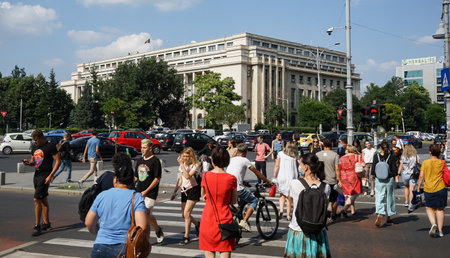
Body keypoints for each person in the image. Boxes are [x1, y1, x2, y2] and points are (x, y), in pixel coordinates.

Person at [85, 153, 148, 257]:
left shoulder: (102, 196)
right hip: (123, 248)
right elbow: (143, 227)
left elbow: (88, 222)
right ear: (132, 180)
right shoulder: (136, 197)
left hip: (100, 246)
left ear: (115, 179)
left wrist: (98, 231)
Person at [285, 153, 331, 258]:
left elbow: (291, 202)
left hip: (298, 229)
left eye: (300, 165)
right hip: (318, 230)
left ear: (306, 167)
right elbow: (325, 206)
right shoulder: (325, 187)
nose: (300, 168)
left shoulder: (295, 183)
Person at [200, 146, 237, 258]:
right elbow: (233, 200)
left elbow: (203, 196)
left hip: (208, 218)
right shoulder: (231, 179)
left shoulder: (205, 176)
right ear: (227, 161)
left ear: (212, 160)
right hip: (225, 218)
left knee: (209, 252)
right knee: (225, 249)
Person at [23, 129, 61, 236]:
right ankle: (47, 223)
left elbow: (58, 161)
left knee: (36, 199)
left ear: (41, 137)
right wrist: (28, 163)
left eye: (36, 140)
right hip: (37, 175)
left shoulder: (50, 146)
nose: (34, 142)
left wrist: (50, 176)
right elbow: (33, 162)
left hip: (45, 176)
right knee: (43, 199)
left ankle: (37, 225)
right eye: (33, 140)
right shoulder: (35, 147)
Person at [226, 143, 272, 231]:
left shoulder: (232, 160)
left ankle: (239, 215)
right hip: (237, 188)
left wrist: (244, 182)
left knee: (242, 201)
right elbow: (257, 173)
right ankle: (244, 221)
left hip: (228, 187)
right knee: (254, 200)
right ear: (246, 152)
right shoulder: (245, 160)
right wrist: (268, 181)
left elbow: (233, 174)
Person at [135, 139, 164, 243]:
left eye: (144, 147)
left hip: (150, 192)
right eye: (141, 147)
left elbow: (157, 178)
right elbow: (136, 177)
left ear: (150, 148)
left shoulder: (155, 161)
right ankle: (157, 228)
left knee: (146, 213)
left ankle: (146, 238)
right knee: (143, 214)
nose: (142, 150)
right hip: (139, 191)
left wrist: (146, 191)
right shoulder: (139, 161)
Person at [171, 147, 201, 245]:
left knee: (187, 213)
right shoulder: (182, 165)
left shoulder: (196, 165)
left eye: (187, 156)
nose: (185, 158)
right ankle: (197, 224)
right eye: (184, 156)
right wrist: (174, 191)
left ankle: (186, 236)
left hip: (193, 190)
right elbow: (180, 179)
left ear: (191, 157)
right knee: (184, 215)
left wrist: (181, 164)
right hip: (184, 190)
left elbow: (188, 176)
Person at [417, 144, 447, 238]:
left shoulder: (425, 163)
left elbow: (421, 176)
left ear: (430, 152)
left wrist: (418, 187)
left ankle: (434, 224)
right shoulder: (442, 162)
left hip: (428, 188)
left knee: (429, 207)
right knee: (440, 209)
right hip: (441, 188)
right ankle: (441, 231)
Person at [372, 142, 397, 227]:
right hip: (389, 179)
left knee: (379, 197)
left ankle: (380, 213)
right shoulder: (392, 157)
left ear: (381, 148)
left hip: (379, 179)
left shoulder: (376, 156)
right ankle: (389, 217)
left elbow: (373, 170)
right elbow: (394, 170)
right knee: (390, 197)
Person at [316, 138, 341, 221]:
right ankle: (333, 215)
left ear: (323, 145)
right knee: (333, 199)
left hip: (321, 180)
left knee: (323, 199)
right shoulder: (335, 155)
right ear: (331, 145)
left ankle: (323, 214)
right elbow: (337, 168)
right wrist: (339, 180)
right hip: (332, 180)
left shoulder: (318, 154)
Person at [273, 142, 299, 221]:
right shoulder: (294, 157)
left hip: (282, 176)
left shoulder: (280, 154)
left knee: (282, 194)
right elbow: (297, 167)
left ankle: (281, 210)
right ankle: (288, 215)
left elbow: (277, 166)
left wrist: (274, 176)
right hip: (291, 177)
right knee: (289, 197)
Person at [338, 145, 362, 217]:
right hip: (354, 177)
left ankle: (353, 210)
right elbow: (363, 164)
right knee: (353, 195)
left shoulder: (341, 158)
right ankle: (344, 209)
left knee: (349, 194)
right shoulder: (357, 157)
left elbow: (339, 168)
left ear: (347, 150)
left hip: (344, 177)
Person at [397, 144, 420, 209]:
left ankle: (406, 201)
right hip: (413, 174)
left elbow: (401, 165)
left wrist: (398, 173)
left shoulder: (403, 156)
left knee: (406, 188)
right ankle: (411, 203)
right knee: (412, 189)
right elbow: (418, 165)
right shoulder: (416, 156)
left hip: (405, 174)